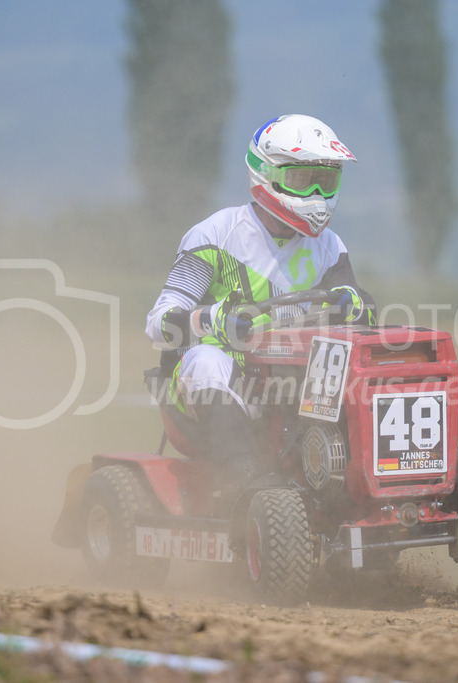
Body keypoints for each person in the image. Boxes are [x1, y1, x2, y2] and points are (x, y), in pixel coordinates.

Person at [145, 114, 374, 500]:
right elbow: (157, 323)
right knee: (207, 359)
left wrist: (356, 303)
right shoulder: (215, 235)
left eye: (327, 180)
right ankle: (244, 483)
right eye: (302, 180)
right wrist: (211, 320)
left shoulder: (329, 246)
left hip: (289, 391)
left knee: (352, 357)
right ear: (267, 175)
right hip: (215, 395)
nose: (317, 192)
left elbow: (359, 317)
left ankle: (376, 477)